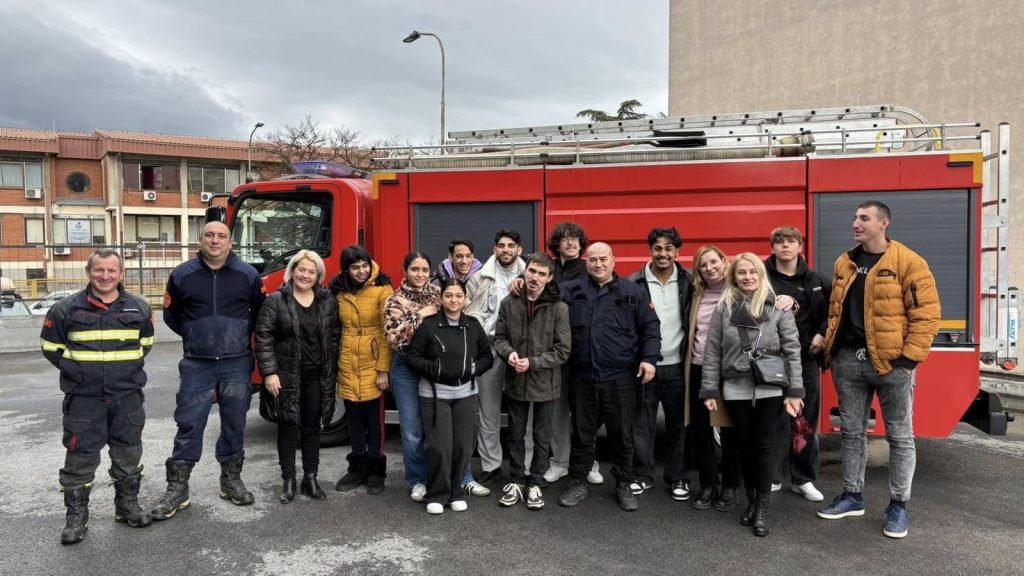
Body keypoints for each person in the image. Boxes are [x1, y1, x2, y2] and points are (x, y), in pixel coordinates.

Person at [817, 201, 940, 539]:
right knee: (851, 432)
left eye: (864, 218)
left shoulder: (909, 262)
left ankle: (898, 505)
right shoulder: (845, 262)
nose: (855, 223)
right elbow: (835, 311)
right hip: (847, 361)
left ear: (884, 223)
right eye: (855, 218)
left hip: (891, 364)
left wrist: (908, 361)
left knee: (899, 435)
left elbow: (927, 315)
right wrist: (831, 351)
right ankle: (852, 496)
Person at [40, 249, 155, 544]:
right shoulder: (65, 309)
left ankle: (127, 507)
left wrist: (121, 373)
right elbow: (51, 348)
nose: (105, 276)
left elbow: (145, 344)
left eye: (111, 270)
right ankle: (76, 519)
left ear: (121, 274)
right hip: (84, 399)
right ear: (89, 272)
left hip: (127, 397)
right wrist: (80, 373)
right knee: (80, 459)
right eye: (99, 270)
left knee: (128, 454)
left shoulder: (140, 308)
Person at [152, 221, 265, 520]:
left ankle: (231, 482)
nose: (215, 241)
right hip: (197, 363)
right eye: (210, 235)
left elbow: (259, 314)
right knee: (188, 423)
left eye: (221, 236)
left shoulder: (248, 275)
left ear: (230, 242)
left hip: (237, 362)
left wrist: (235, 337)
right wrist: (197, 335)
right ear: (200, 240)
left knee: (235, 422)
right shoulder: (182, 275)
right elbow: (172, 315)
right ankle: (178, 489)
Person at [700, 253, 805, 537]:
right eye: (741, 272)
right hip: (735, 386)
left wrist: (795, 391)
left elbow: (792, 350)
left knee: (765, 445)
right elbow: (712, 351)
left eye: (752, 272)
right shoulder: (724, 308)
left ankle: (762, 508)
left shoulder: (778, 306)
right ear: (733, 277)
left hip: (770, 386)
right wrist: (709, 389)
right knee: (743, 446)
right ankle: (751, 499)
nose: (747, 277)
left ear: (761, 274)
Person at [557, 242, 661, 512]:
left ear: (614, 261)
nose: (598, 264)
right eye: (593, 259)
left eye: (604, 259)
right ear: (586, 262)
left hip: (621, 378)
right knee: (582, 434)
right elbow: (542, 292)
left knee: (622, 434)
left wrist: (649, 359)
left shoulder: (633, 291)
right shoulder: (571, 290)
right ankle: (578, 481)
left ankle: (624, 483)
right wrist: (520, 283)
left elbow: (651, 327)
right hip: (583, 377)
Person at [384, 251, 490, 503]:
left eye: (424, 270)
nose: (420, 274)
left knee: (453, 431)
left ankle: (462, 478)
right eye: (414, 269)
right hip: (407, 367)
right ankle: (418, 480)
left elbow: (457, 319)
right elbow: (392, 336)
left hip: (440, 368)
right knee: (413, 430)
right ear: (405, 271)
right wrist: (419, 315)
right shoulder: (394, 300)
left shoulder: (437, 292)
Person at [254, 250, 340, 504]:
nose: (305, 275)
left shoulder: (327, 300)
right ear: (291, 271)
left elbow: (335, 336)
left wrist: (332, 369)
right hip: (286, 375)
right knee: (288, 426)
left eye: (311, 272)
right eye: (301, 270)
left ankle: (310, 478)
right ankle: (289, 480)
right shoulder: (276, 300)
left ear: (318, 276)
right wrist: (269, 372)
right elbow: (264, 337)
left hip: (317, 375)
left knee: (312, 427)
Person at [405, 278, 495, 514]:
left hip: (466, 394)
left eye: (458, 296)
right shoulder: (429, 326)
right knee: (439, 446)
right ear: (441, 298)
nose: (453, 300)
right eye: (448, 295)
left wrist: (474, 368)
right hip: (435, 396)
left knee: (463, 446)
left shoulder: (473, 326)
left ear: (465, 299)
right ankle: (437, 494)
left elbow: (487, 357)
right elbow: (412, 357)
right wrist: (434, 368)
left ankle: (455, 492)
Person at [493, 253, 571, 509]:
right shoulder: (509, 303)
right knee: (515, 433)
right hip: (516, 379)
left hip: (545, 382)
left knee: (542, 435)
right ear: (524, 272)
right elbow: (499, 338)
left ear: (549, 278)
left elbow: (563, 350)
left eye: (541, 274)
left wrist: (533, 363)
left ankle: (536, 482)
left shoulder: (559, 308)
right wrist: (509, 354)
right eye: (532, 271)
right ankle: (516, 480)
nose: (535, 277)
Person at [764, 226, 830, 502]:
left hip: (805, 360)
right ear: (772, 247)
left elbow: (833, 312)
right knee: (773, 420)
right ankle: (772, 476)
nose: (785, 246)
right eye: (779, 242)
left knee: (805, 420)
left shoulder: (816, 280)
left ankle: (802, 479)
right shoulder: (761, 276)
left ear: (800, 247)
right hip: (769, 361)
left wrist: (822, 333)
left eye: (791, 241)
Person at [628, 227, 693, 500]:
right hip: (645, 366)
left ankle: (678, 477)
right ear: (650, 250)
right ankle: (643, 475)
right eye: (658, 248)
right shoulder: (634, 283)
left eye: (668, 248)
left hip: (678, 366)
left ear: (677, 252)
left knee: (679, 425)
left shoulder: (690, 281)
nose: (663, 253)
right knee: (642, 423)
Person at [539, 221, 603, 486]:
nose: (570, 242)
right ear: (557, 244)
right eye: (565, 238)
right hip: (552, 350)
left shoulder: (589, 269)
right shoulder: (547, 268)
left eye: (575, 238)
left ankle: (589, 462)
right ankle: (560, 462)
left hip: (581, 350)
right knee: (557, 411)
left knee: (584, 412)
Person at [329, 245, 393, 495]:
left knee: (375, 421)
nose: (361, 271)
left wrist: (383, 369)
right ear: (346, 269)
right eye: (355, 267)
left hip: (373, 361)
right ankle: (357, 468)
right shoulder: (338, 290)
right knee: (353, 420)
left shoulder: (382, 288)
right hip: (347, 360)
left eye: (364, 265)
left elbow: (387, 331)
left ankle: (376, 471)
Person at [464, 229, 526, 485]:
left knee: (524, 413)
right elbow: (468, 313)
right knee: (488, 412)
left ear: (519, 250)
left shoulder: (531, 275)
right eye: (501, 245)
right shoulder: (479, 278)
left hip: (521, 352)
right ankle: (491, 465)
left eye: (511, 245)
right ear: (494, 249)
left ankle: (526, 466)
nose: (506, 250)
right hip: (490, 349)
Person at [684, 245, 743, 512]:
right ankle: (708, 483)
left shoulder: (739, 290)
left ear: (724, 261)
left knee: (730, 431)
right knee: (700, 430)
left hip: (729, 370)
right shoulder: (697, 293)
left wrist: (790, 300)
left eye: (713, 262)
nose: (709, 268)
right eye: (703, 265)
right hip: (698, 366)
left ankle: (730, 486)